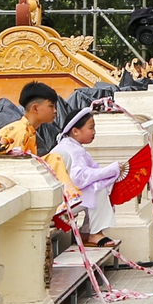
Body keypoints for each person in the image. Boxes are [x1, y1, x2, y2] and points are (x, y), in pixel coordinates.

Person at [45, 103, 123, 250]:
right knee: (96, 188)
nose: (94, 132)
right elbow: (78, 178)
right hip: (61, 202)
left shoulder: (74, 146)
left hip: (66, 196)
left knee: (99, 186)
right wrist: (107, 171)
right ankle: (94, 233)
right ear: (75, 131)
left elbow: (90, 170)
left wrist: (109, 172)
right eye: (91, 127)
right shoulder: (69, 148)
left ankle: (88, 232)